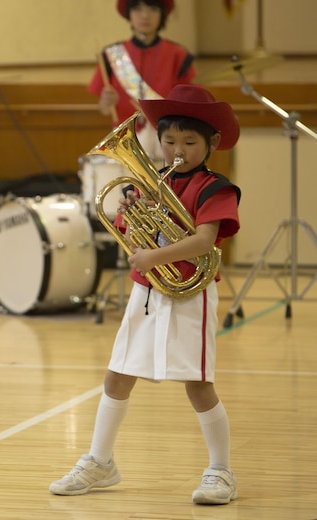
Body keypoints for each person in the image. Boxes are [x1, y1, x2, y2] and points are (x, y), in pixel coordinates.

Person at [49, 84, 241, 505]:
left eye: (190, 142)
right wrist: (127, 216)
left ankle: (221, 471)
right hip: (149, 292)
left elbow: (204, 241)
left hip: (193, 294)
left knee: (198, 384)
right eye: (169, 140)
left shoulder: (216, 188)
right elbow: (130, 232)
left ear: (211, 143)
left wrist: (155, 254)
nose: (178, 149)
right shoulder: (152, 183)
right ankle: (100, 461)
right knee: (118, 374)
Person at [88, 0, 196, 160]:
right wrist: (105, 102)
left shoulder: (178, 55)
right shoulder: (113, 55)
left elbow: (189, 107)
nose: (145, 16)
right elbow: (104, 109)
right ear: (129, 14)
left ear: (162, 14)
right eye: (137, 9)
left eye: (152, 8)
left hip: (166, 144)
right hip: (123, 143)